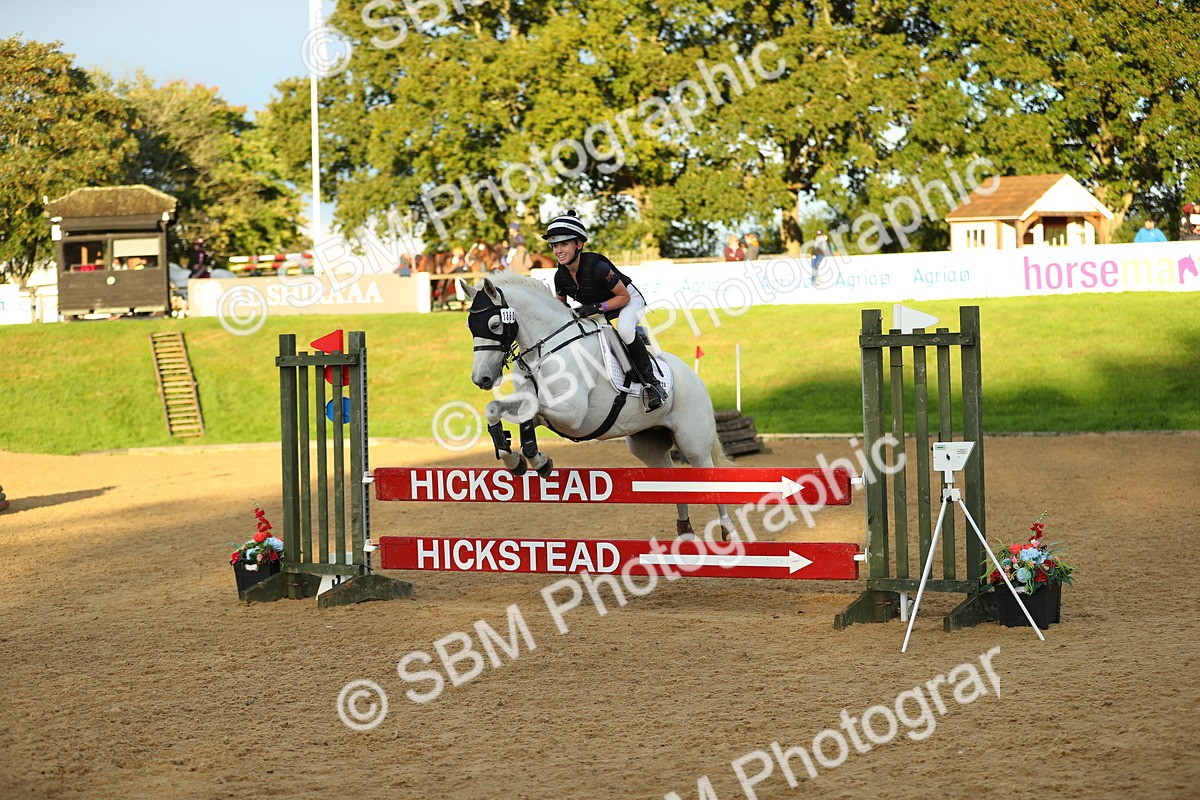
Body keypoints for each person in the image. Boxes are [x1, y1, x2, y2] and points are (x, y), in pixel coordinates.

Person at [545, 210, 664, 410]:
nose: (559, 250)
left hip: (628, 301)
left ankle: (653, 384)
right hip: (601, 308)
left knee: (625, 330)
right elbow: (561, 305)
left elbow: (623, 296)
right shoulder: (560, 277)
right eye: (555, 245)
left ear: (579, 245)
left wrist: (598, 307)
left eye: (564, 244)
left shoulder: (598, 267)